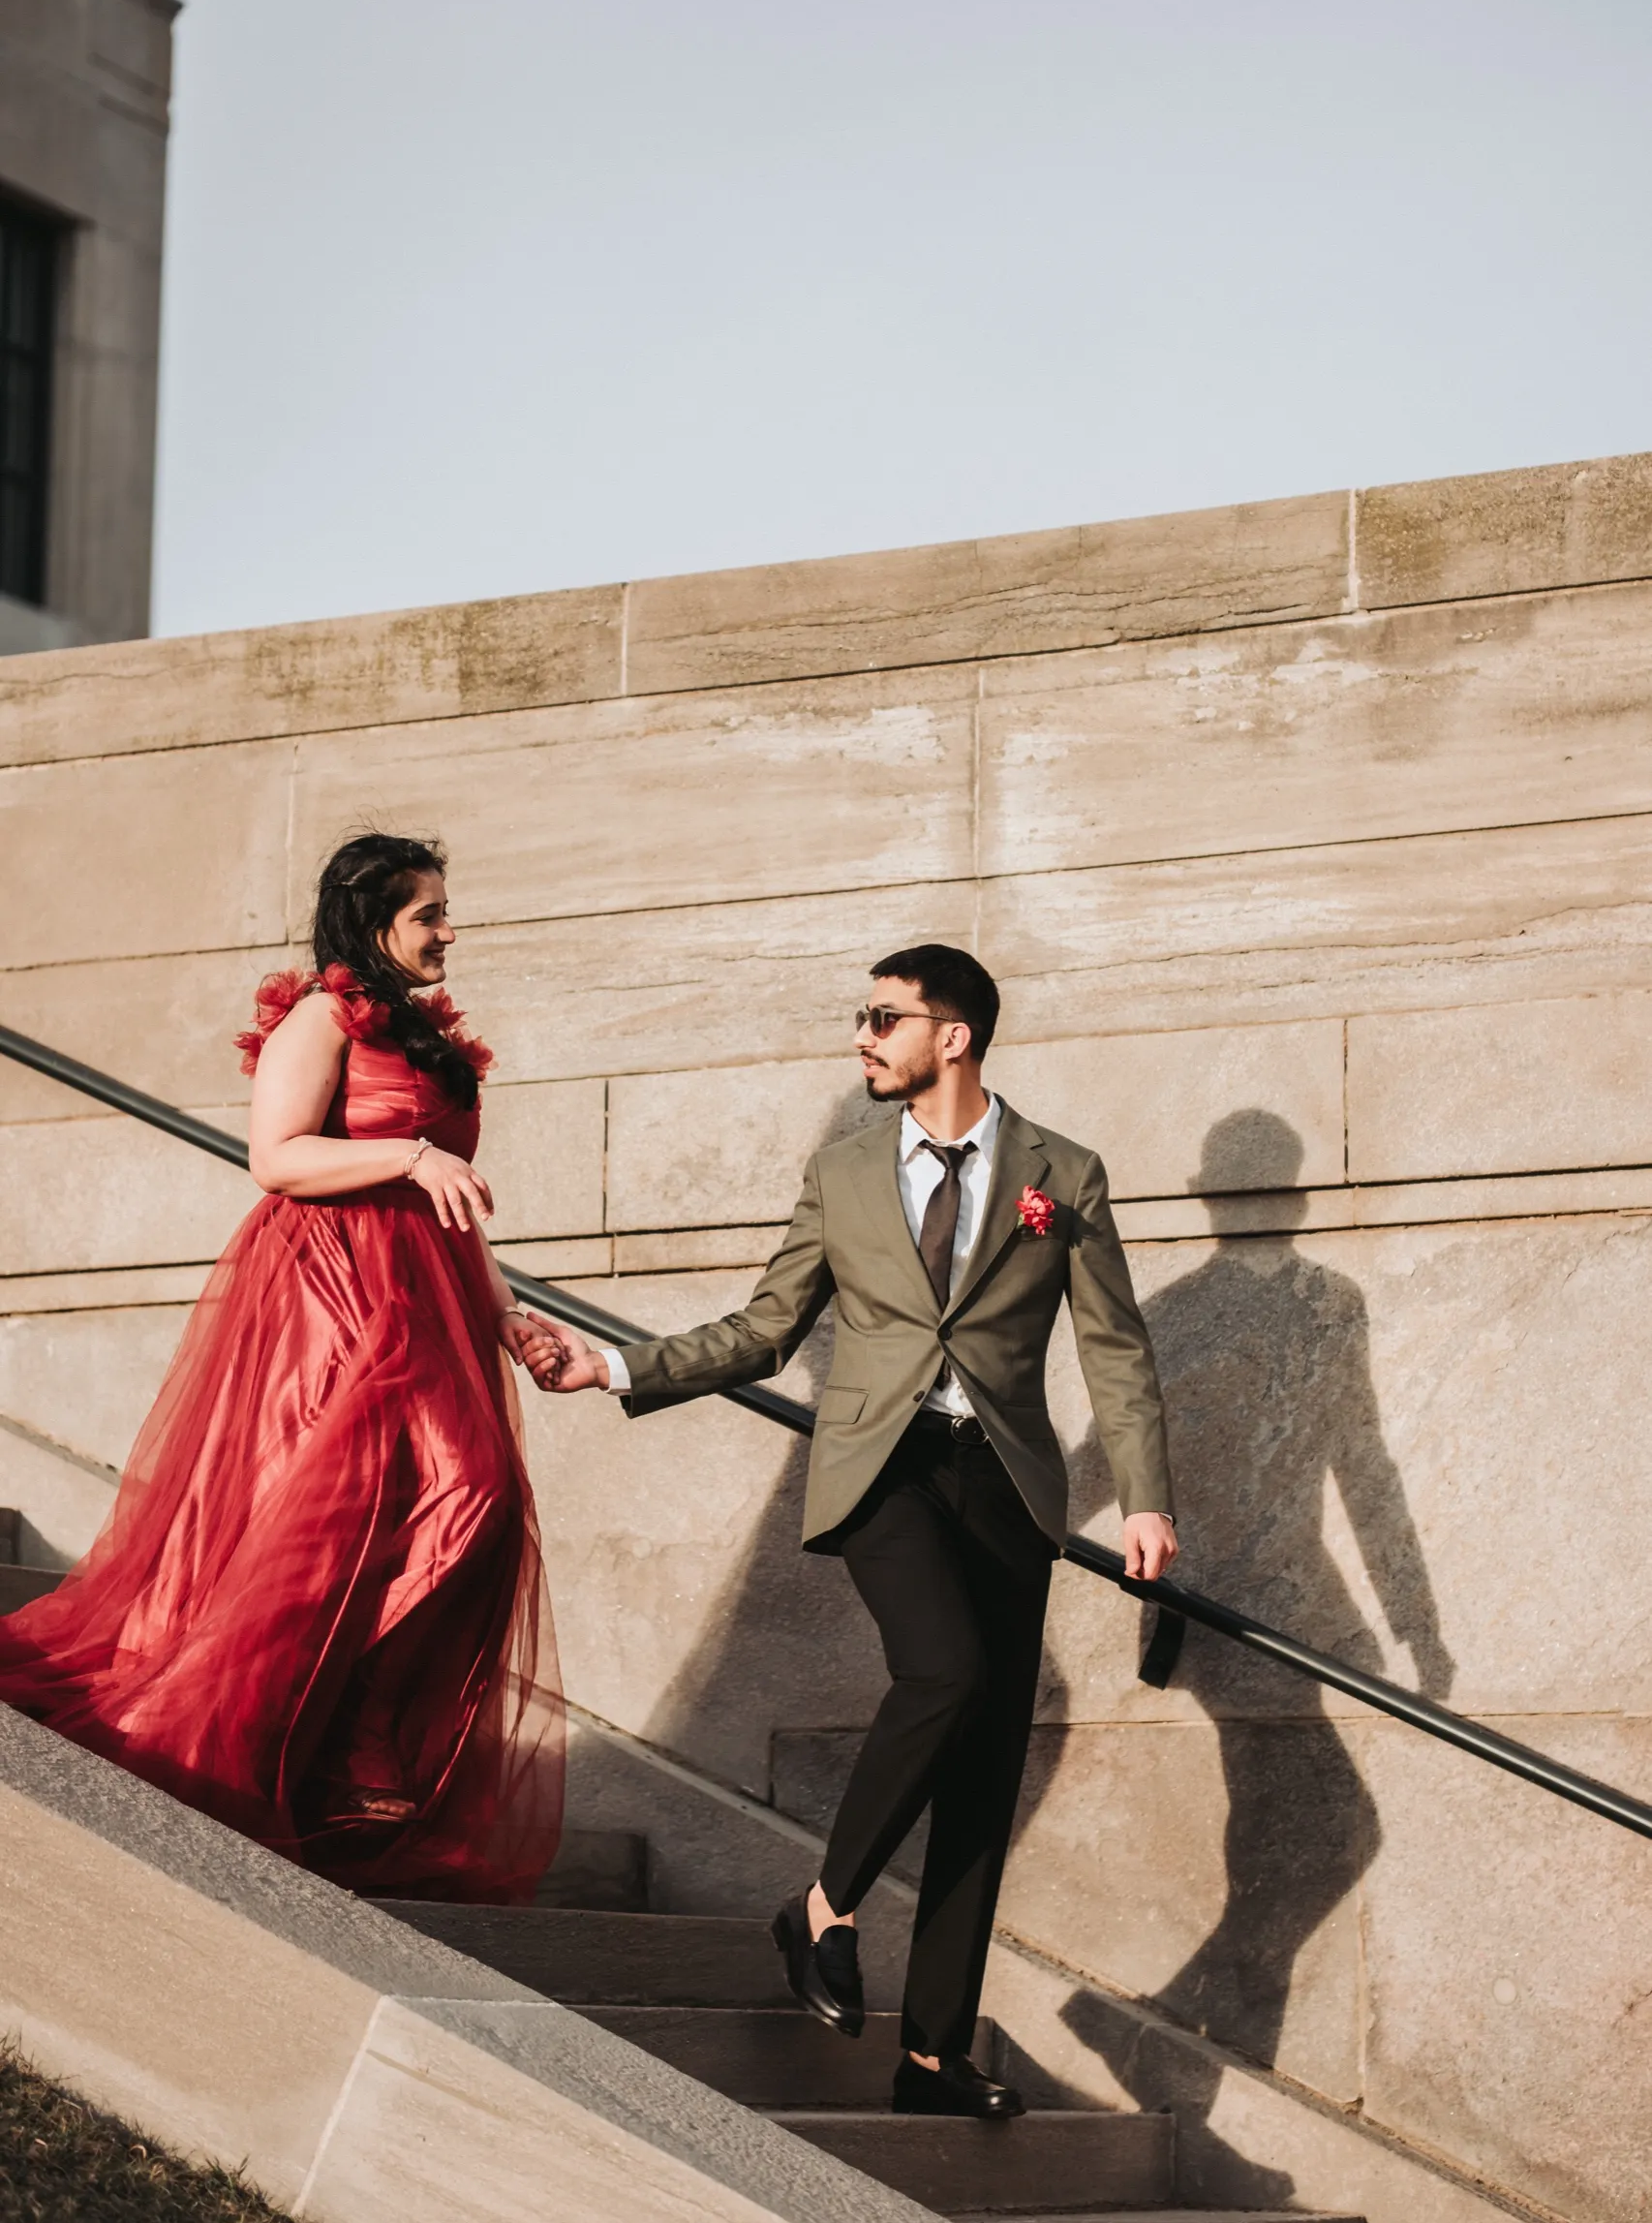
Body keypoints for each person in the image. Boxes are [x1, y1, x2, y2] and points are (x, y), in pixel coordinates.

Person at [532, 942, 1177, 2114]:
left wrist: (1143, 1495)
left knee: (981, 1769)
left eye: (885, 1017)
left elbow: (1115, 1348)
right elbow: (768, 1327)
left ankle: (932, 2056)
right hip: (884, 1469)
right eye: (861, 1015)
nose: (863, 1036)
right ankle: (822, 1909)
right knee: (946, 1671)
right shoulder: (842, 1171)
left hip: (1007, 1483)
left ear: (955, 1036)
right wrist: (616, 1365)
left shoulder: (1060, 1174)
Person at [0, 834, 564, 1903]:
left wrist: (511, 1322)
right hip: (336, 1294)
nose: (449, 929)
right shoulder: (321, 1017)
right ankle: (338, 1743)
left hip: (430, 1293)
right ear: (372, 919)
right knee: (357, 1516)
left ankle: (354, 1732)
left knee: (476, 1499)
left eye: (446, 910)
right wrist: (406, 1153)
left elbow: (453, 1200)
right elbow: (278, 1155)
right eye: (428, 912)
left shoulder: (418, 1032)